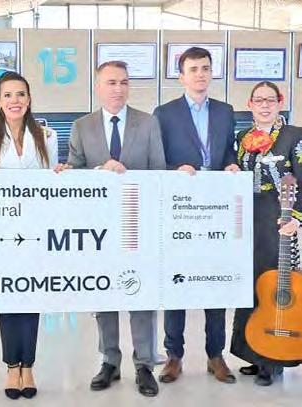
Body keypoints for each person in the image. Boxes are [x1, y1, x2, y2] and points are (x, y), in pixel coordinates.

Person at [65, 60, 165, 397]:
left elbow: (158, 174)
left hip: (138, 224)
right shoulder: (82, 126)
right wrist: (100, 171)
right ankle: (110, 360)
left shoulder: (148, 123)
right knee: (104, 292)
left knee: (141, 293)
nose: (118, 88)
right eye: (111, 82)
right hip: (100, 229)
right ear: (98, 87)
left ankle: (144, 364)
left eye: (123, 82)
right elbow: (74, 173)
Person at [153, 46, 238, 384]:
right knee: (177, 283)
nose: (200, 74)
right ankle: (174, 356)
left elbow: (228, 150)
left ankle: (215, 355)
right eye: (193, 69)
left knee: (215, 282)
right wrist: (175, 170)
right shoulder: (164, 113)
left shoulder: (225, 111)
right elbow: (158, 158)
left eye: (205, 68)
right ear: (181, 76)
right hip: (181, 209)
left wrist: (231, 163)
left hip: (216, 208)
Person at [0, 71, 58, 400]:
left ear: (29, 99)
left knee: (32, 297)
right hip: (2, 231)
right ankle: (12, 366)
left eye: (21, 94)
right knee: (9, 298)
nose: (15, 100)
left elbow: (53, 182)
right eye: (8, 95)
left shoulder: (47, 136)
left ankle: (29, 366)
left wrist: (61, 173)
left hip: (37, 230)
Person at [230, 81, 302, 386]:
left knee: (274, 283)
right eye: (258, 100)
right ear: (250, 104)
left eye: (270, 100)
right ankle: (253, 353)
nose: (264, 105)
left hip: (279, 219)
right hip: (247, 218)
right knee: (249, 284)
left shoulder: (294, 136)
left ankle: (273, 360)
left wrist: (297, 218)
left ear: (279, 103)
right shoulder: (241, 138)